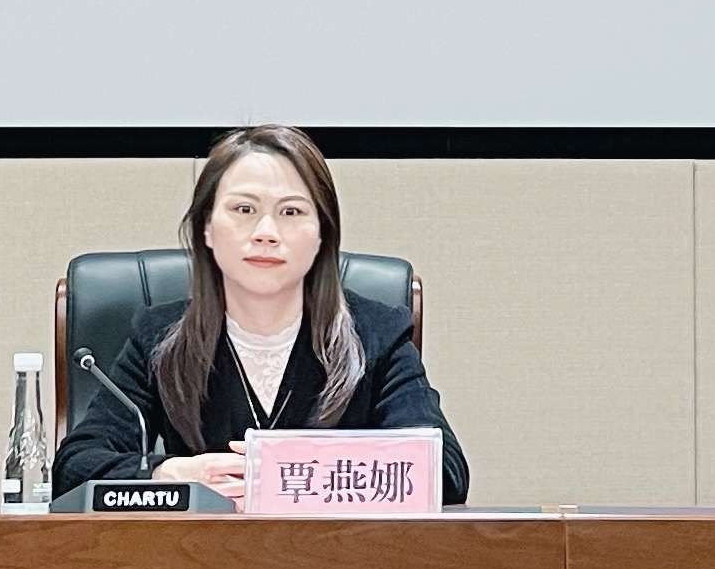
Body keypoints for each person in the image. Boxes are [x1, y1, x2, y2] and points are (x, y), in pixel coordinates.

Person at [51, 124, 472, 507]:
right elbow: (73, 470)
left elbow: (446, 473)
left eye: (291, 212)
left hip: (337, 559)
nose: (266, 232)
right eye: (243, 210)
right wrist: (166, 475)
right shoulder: (160, 337)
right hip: (196, 559)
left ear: (322, 234)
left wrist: (296, 474)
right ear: (207, 228)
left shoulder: (378, 334)